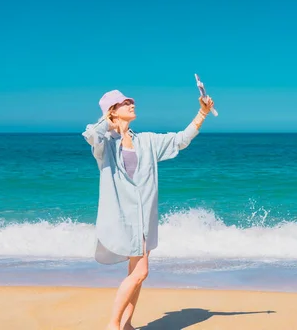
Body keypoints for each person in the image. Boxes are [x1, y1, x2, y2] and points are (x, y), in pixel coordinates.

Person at [82, 89, 214, 330]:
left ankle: (128, 324)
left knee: (137, 274)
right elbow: (91, 133)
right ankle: (112, 325)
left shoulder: (147, 141)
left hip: (145, 218)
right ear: (113, 111)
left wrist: (202, 113)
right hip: (123, 218)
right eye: (125, 103)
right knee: (141, 272)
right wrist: (108, 124)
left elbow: (180, 140)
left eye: (131, 101)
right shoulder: (104, 145)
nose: (132, 104)